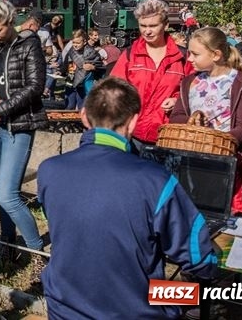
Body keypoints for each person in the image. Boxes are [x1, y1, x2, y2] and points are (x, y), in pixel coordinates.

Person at [37, 78, 218, 320]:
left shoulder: (49, 170)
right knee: (201, 297)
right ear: (133, 122)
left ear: (83, 116)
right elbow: (199, 258)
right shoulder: (155, 179)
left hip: (64, 308)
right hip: (136, 310)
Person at [0, 0, 47, 277]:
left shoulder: (29, 45)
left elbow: (35, 86)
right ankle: (8, 247)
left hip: (18, 126)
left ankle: (38, 254)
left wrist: (2, 109)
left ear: (11, 21)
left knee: (8, 195)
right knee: (1, 190)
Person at [170, 27, 242, 218]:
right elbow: (176, 116)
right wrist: (192, 120)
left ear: (216, 55)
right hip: (191, 164)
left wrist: (215, 138)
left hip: (226, 166)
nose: (189, 59)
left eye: (195, 54)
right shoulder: (190, 82)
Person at [110, 0, 191, 149]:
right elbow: (113, 90)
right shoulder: (130, 55)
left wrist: (177, 101)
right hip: (132, 135)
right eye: (143, 25)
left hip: (169, 136)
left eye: (153, 26)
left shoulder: (183, 57)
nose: (147, 31)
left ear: (166, 25)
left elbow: (195, 92)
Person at [61, 29, 102, 110]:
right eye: (73, 42)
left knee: (82, 107)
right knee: (69, 106)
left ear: (84, 42)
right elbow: (65, 65)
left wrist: (93, 67)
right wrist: (61, 71)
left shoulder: (92, 53)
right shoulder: (70, 52)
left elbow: (101, 67)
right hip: (70, 82)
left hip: (83, 83)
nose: (75, 45)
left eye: (78, 43)